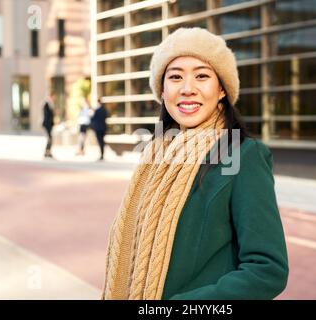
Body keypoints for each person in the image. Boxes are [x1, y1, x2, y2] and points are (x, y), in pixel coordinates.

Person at [102, 27, 288, 300]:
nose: (188, 89)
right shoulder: (154, 157)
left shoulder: (244, 155)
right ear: (162, 91)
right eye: (175, 77)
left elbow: (267, 270)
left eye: (202, 76)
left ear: (222, 89)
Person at [42, 93, 55, 158]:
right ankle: (47, 152)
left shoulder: (50, 104)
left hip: (49, 124)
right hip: (47, 124)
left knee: (50, 138)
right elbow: (47, 116)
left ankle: (48, 151)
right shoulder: (47, 104)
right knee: (49, 138)